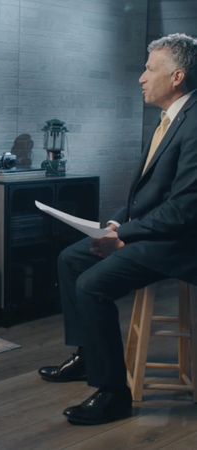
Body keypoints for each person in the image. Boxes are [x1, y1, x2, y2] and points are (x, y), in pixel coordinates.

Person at [38, 33, 197, 426]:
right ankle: (89, 355)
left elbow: (185, 208)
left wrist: (125, 234)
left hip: (181, 244)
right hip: (160, 233)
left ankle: (113, 394)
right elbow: (149, 193)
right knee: (71, 258)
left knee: (92, 285)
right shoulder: (170, 119)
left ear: (177, 76)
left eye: (149, 69)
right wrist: (113, 224)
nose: (141, 77)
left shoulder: (195, 123)